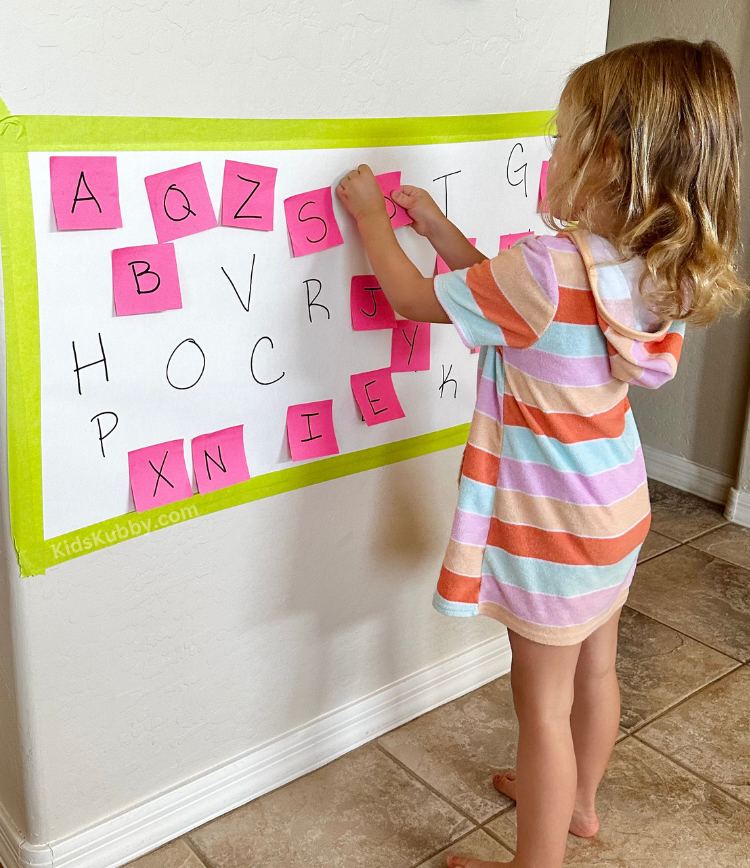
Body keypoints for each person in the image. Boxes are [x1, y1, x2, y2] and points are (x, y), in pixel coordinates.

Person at [336, 38, 746, 868]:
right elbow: (504, 301)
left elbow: (419, 300)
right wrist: (443, 229)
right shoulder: (649, 271)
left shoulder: (544, 268)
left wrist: (372, 219)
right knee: (595, 674)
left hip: (550, 530)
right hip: (614, 513)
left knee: (543, 712)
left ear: (609, 161)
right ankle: (580, 805)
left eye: (565, 135)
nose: (552, 152)